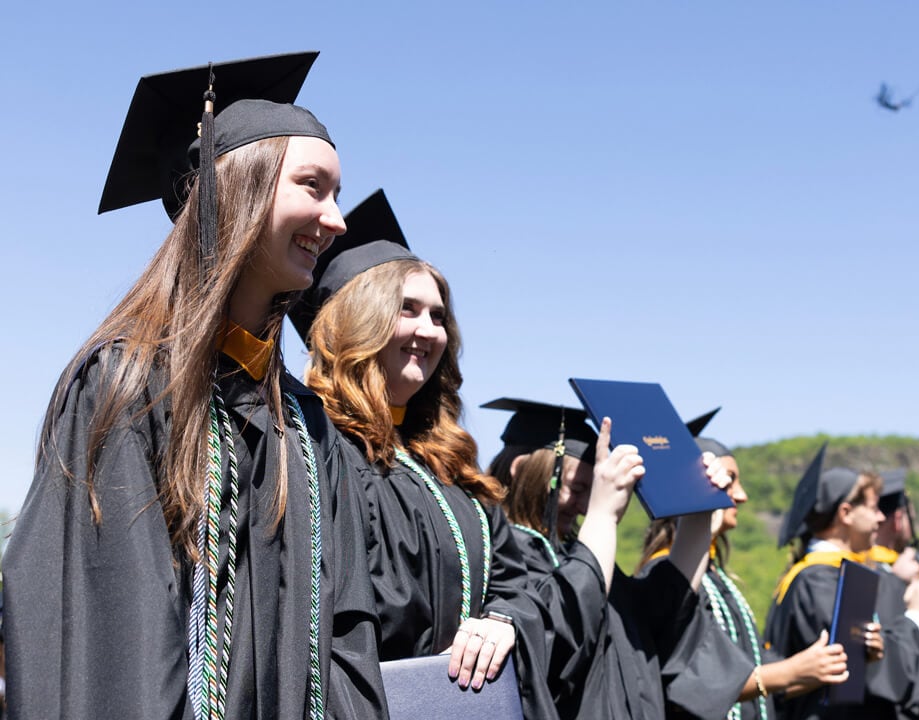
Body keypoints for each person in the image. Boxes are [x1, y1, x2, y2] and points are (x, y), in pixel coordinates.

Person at [2, 53, 386, 719]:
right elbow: (113, 653)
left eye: (338, 194)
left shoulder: (305, 423)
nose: (337, 219)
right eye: (313, 187)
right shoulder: (126, 386)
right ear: (235, 187)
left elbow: (346, 639)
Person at [294, 190, 598, 719]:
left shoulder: (450, 470)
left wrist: (502, 619)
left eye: (439, 316)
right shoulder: (314, 448)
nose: (428, 330)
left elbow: (517, 581)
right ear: (357, 321)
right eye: (406, 310)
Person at [487, 399, 749, 719]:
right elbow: (560, 638)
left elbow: (664, 608)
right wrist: (604, 515)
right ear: (522, 470)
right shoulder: (502, 558)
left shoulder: (573, 554)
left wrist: (699, 510)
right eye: (578, 487)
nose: (585, 506)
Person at [638, 431, 858, 720]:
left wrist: (817, 665)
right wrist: (792, 671)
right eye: (729, 481)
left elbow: (746, 659)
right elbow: (687, 682)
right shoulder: (665, 577)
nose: (742, 496)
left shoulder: (718, 576)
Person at [764, 444, 919, 720]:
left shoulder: (832, 575)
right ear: (846, 513)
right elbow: (858, 671)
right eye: (872, 507)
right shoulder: (820, 579)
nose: (880, 517)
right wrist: (917, 616)